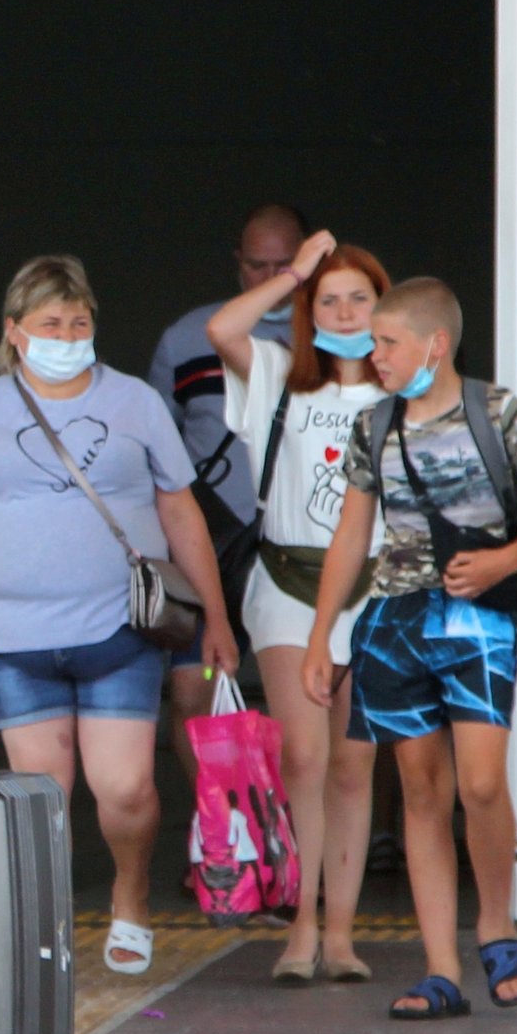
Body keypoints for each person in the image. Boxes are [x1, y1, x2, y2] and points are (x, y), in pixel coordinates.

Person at [0, 256, 239, 979]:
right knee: (39, 801)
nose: (67, 337)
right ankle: (46, 921)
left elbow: (180, 511)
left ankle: (129, 893)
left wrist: (217, 618)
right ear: (14, 331)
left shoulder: (134, 401)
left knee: (126, 789)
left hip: (118, 629)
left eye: (79, 323)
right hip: (14, 636)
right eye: (50, 324)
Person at [307, 277, 517, 1021]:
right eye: (372, 343)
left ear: (435, 345)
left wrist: (504, 561)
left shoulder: (495, 412)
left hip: (477, 617)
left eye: (388, 342)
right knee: (420, 789)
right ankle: (440, 969)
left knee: (482, 784)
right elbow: (351, 534)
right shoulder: (373, 424)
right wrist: (319, 635)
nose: (375, 356)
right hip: (396, 619)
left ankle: (495, 924)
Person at [206, 228, 392, 983]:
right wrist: (293, 276)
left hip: (375, 589)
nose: (344, 312)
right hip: (286, 582)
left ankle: (340, 933)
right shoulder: (280, 373)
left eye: (359, 299)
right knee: (303, 756)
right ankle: (301, 925)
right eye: (329, 300)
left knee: (353, 764)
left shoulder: (399, 388)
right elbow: (223, 329)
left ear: (383, 307)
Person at [149, 203, 305, 710]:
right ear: (238, 260)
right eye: (257, 265)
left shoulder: (339, 337)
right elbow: (156, 445)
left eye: (285, 265)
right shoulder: (186, 338)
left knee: (309, 695)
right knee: (195, 692)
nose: (271, 278)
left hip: (300, 541)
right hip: (210, 541)